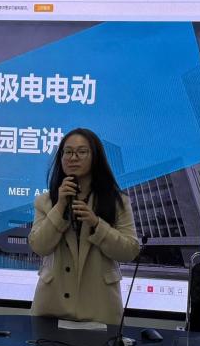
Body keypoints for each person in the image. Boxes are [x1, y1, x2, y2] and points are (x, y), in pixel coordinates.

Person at [28, 128, 140, 325]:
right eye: (68, 152)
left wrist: (96, 224)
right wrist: (60, 206)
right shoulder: (45, 202)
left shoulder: (117, 202)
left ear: (95, 157)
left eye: (81, 152)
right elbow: (39, 246)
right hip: (52, 306)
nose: (73, 158)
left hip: (100, 307)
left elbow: (129, 251)